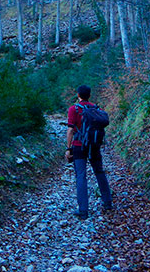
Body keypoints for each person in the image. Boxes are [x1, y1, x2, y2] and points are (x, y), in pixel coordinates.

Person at [65, 84, 112, 219]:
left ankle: (83, 210)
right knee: (99, 172)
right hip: (94, 145)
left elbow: (70, 130)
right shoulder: (96, 108)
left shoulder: (74, 109)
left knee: (81, 175)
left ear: (78, 95)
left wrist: (68, 148)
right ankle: (107, 202)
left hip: (79, 146)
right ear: (89, 95)